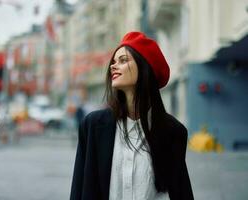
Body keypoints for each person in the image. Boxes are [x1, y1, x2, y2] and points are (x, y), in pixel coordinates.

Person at [70, 32, 194, 200]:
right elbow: (79, 189)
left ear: (144, 67)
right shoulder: (93, 126)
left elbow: (180, 191)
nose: (113, 66)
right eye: (113, 62)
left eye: (123, 60)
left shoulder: (173, 132)